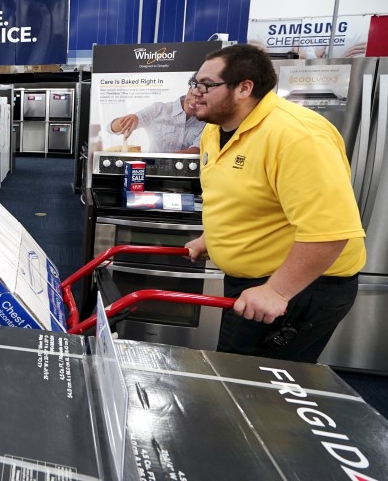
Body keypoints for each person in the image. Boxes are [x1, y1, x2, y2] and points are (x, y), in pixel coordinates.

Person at [184, 44, 365, 363]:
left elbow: (331, 231)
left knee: (253, 383)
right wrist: (213, 237)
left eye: (206, 85)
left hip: (300, 286)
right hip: (254, 281)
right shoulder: (215, 130)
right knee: (233, 368)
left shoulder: (296, 135)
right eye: (194, 83)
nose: (195, 92)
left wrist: (278, 291)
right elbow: (241, 196)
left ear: (244, 88)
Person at [107, 89, 204, 154]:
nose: (194, 102)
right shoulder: (159, 110)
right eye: (193, 94)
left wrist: (166, 160)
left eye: (200, 100)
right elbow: (110, 129)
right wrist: (128, 120)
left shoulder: (206, 122)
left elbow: (198, 149)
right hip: (151, 171)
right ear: (189, 88)